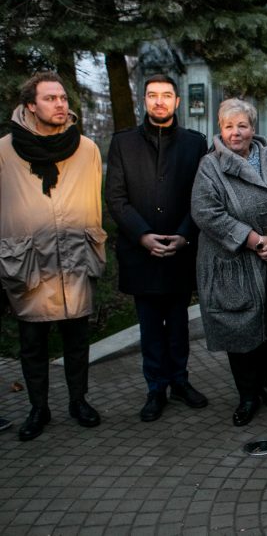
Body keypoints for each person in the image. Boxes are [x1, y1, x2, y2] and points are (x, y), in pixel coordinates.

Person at [0, 72, 105, 441]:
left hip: (76, 259)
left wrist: (95, 244)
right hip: (29, 264)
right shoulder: (4, 151)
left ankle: (79, 401)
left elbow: (95, 203)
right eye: (50, 99)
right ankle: (38, 409)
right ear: (30, 105)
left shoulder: (87, 149)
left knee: (77, 340)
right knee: (33, 345)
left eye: (63, 98)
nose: (60, 104)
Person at [191, 98, 267, 426]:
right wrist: (253, 240)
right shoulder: (210, 167)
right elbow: (206, 213)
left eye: (242, 125)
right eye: (229, 126)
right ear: (220, 129)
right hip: (234, 262)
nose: (235, 132)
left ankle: (263, 383)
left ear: (253, 128)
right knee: (239, 328)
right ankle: (247, 395)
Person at [106, 74, 209, 422]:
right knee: (149, 326)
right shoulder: (122, 144)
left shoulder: (195, 143)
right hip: (141, 253)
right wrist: (143, 235)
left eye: (167, 95)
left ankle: (180, 380)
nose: (160, 101)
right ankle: (155, 388)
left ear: (178, 102)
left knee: (178, 324)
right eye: (153, 95)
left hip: (181, 250)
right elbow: (116, 199)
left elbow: (202, 195)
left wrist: (184, 234)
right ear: (144, 101)